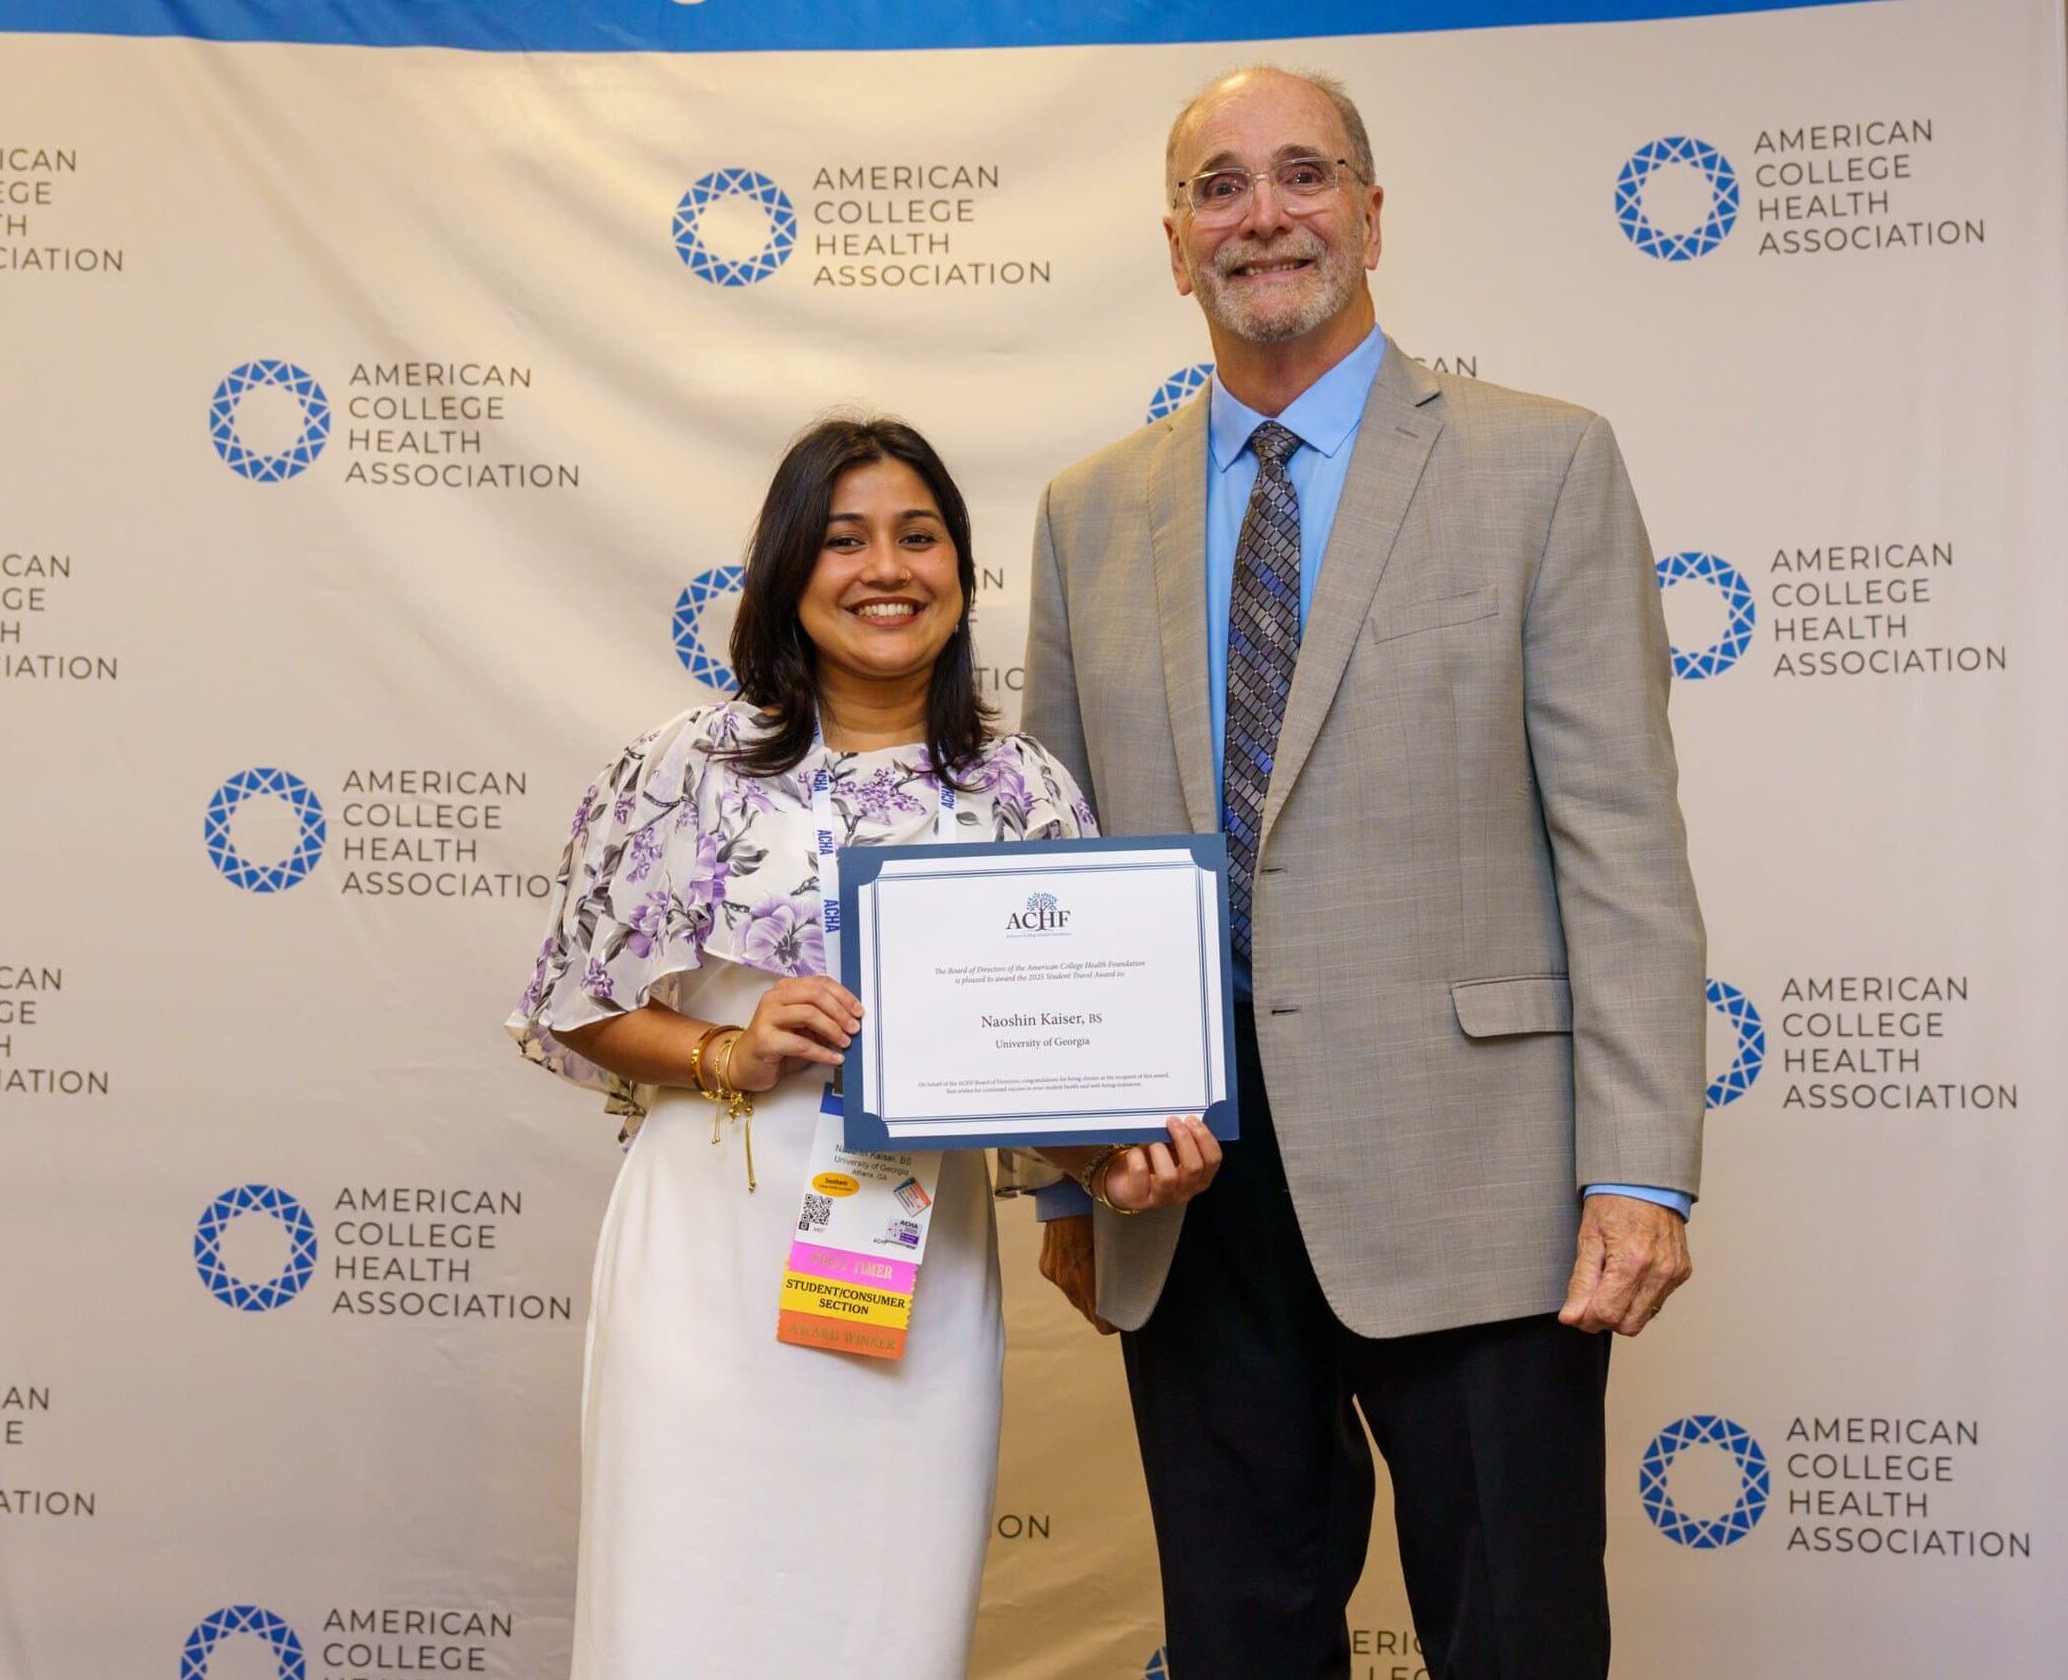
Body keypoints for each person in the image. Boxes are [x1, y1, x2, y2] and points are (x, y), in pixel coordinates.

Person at [1014, 66, 1707, 1679]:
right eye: (1220, 188)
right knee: (1239, 1641)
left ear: (1374, 212)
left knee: (1513, 1639)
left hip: (1486, 1181)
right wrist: (1059, 1168)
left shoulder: (1546, 466)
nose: (1265, 215)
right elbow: (1062, 858)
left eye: (1304, 175)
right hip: (1186, 1186)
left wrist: (1642, 1167)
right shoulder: (1083, 513)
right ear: (1176, 243)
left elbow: (1625, 847)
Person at [505, 415, 1220, 1680]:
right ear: (789, 571)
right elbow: (570, 1001)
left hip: (916, 1265)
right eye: (844, 540)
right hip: (711, 1259)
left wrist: (1119, 1168)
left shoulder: (1023, 790)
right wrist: (730, 1045)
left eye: (919, 536)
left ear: (960, 571)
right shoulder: (689, 765)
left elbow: (1055, 1068)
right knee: (687, 1605)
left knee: (885, 1620)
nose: (886, 569)